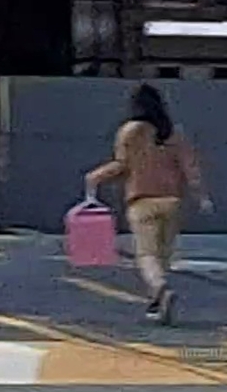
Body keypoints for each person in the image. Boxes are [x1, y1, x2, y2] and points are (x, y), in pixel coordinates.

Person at [85, 83, 209, 323]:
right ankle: (157, 304)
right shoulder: (174, 132)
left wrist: (95, 177)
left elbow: (121, 165)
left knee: (146, 255)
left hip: (141, 201)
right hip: (172, 201)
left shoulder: (129, 131)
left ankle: (160, 288)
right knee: (163, 256)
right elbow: (190, 168)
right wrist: (202, 197)